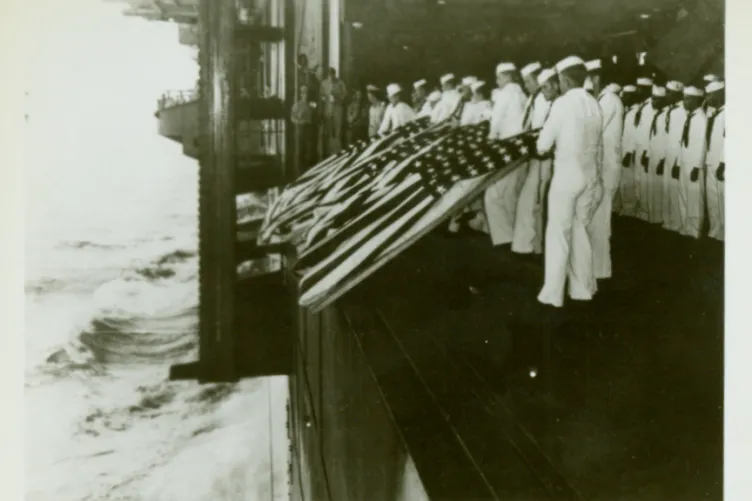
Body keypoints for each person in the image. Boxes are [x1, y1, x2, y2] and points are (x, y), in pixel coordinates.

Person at [536, 55, 603, 308]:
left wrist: (541, 144)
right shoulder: (594, 103)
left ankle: (552, 294)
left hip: (567, 176)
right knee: (580, 231)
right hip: (590, 175)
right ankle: (583, 289)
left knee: (558, 234)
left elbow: (543, 146)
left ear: (563, 81)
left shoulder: (562, 104)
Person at [484, 62, 528, 248]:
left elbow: (496, 120)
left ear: (507, 76)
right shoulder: (522, 94)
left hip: (507, 149)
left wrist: (490, 139)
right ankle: (514, 238)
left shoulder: (505, 94)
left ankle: (505, 238)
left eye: (499, 77)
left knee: (493, 195)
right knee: (512, 194)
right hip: (522, 149)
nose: (497, 81)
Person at [512, 63, 553, 257]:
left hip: (544, 157)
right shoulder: (533, 99)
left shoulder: (546, 100)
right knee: (530, 201)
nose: (526, 85)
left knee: (536, 200)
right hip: (534, 156)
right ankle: (531, 245)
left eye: (529, 81)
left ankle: (536, 246)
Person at [590, 77, 624, 279]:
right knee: (598, 219)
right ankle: (597, 266)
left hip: (607, 167)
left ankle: (600, 270)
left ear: (596, 78)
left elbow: (594, 128)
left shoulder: (609, 100)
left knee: (601, 220)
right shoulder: (602, 99)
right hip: (601, 166)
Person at [677, 86, 708, 239]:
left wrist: (697, 166)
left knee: (695, 197)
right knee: (683, 194)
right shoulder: (688, 117)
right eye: (684, 98)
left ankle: (695, 229)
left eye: (688, 98)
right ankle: (685, 226)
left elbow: (702, 144)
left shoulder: (702, 118)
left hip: (694, 164)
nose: (684, 101)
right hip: (684, 160)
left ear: (696, 100)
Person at [662, 81, 688, 232]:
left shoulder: (683, 111)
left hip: (677, 155)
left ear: (678, 94)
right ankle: (670, 221)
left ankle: (679, 223)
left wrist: (678, 162)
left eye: (669, 92)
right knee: (668, 189)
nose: (667, 95)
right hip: (668, 153)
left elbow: (682, 139)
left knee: (677, 190)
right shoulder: (670, 110)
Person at [630, 79, 657, 221]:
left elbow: (649, 132)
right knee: (638, 180)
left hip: (646, 148)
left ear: (647, 90)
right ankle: (640, 210)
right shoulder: (643, 106)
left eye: (640, 89)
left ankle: (645, 213)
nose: (637, 91)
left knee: (645, 181)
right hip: (639, 147)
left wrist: (647, 151)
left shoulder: (651, 107)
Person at [618, 83, 644, 217]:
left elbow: (635, 134)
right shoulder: (628, 110)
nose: (623, 97)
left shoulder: (636, 113)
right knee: (624, 181)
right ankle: (626, 207)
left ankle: (630, 210)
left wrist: (629, 152)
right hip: (624, 150)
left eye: (626, 95)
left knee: (629, 182)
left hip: (629, 152)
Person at [643, 86, 669, 224]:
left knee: (659, 189)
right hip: (652, 154)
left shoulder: (666, 115)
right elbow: (651, 137)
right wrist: (647, 154)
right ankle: (652, 217)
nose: (654, 102)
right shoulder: (655, 114)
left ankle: (659, 219)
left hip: (661, 156)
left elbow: (667, 139)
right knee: (652, 187)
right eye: (653, 99)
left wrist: (663, 159)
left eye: (657, 99)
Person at [704, 81, 725, 241]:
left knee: (723, 198)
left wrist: (724, 163)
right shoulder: (714, 113)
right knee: (712, 198)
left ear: (719, 95)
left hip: (722, 163)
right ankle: (715, 231)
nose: (707, 98)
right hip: (711, 161)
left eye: (710, 95)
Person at [320, 67, 348, 155]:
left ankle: (337, 151)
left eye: (332, 75)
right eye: (329, 75)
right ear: (327, 75)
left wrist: (337, 98)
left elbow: (345, 95)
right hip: (328, 110)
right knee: (328, 132)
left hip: (338, 110)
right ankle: (328, 152)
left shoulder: (340, 83)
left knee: (337, 131)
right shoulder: (324, 83)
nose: (331, 77)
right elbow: (321, 96)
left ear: (335, 74)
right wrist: (325, 98)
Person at [291, 84, 316, 175]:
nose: (305, 94)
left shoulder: (311, 106)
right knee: (299, 151)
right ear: (301, 94)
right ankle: (298, 172)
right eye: (303, 92)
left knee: (309, 150)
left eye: (306, 92)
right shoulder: (296, 105)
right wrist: (299, 121)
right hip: (300, 130)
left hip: (309, 130)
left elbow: (313, 118)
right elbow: (292, 118)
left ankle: (308, 172)